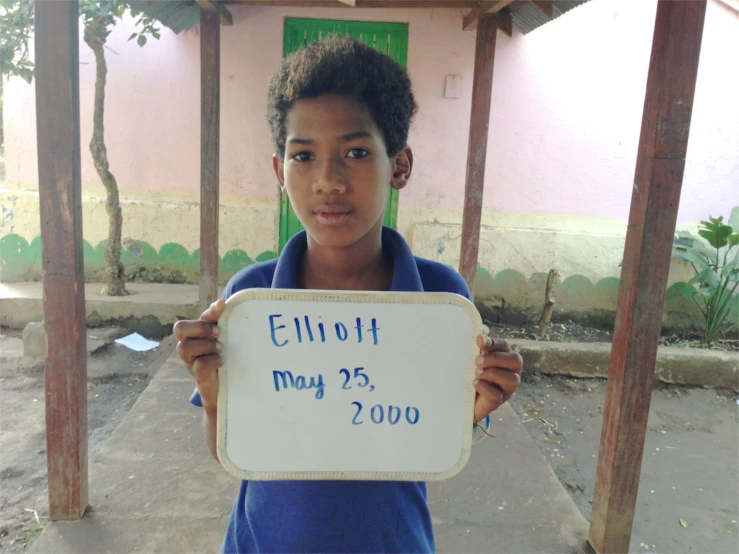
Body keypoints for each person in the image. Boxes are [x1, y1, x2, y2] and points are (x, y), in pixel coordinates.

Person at [174, 37, 523, 554]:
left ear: (399, 166)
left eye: (356, 153)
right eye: (303, 155)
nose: (328, 181)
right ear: (279, 172)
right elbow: (230, 450)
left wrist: (466, 412)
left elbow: (434, 441)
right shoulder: (251, 300)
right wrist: (216, 402)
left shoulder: (440, 300)